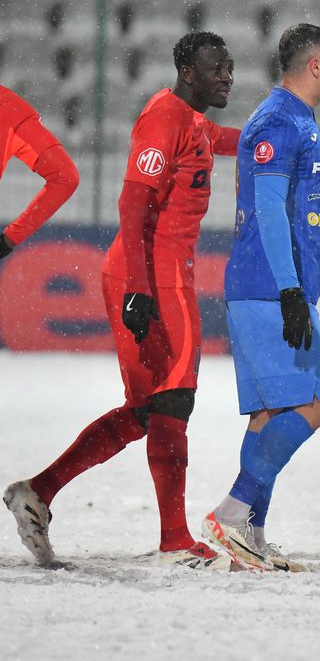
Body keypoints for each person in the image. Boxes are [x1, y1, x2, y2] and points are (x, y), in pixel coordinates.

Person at [4, 32, 238, 569]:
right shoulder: (165, 119)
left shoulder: (191, 119)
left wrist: (270, 140)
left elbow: (217, 138)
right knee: (174, 400)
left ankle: (37, 491)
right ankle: (176, 540)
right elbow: (131, 205)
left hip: (153, 273)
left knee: (145, 409)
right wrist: (137, 286)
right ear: (187, 72)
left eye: (229, 66)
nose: (227, 75)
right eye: (215, 67)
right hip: (154, 276)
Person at [202, 23, 320, 573]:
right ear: (314, 65)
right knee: (316, 404)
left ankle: (251, 535)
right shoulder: (276, 121)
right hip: (268, 289)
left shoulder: (299, 121)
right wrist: (292, 292)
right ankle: (233, 511)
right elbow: (268, 212)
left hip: (278, 287)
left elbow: (305, 222)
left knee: (270, 415)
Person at [0, 86, 79, 261]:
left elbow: (65, 178)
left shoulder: (8, 108)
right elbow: (65, 178)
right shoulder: (9, 106)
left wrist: (10, 239)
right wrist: (9, 239)